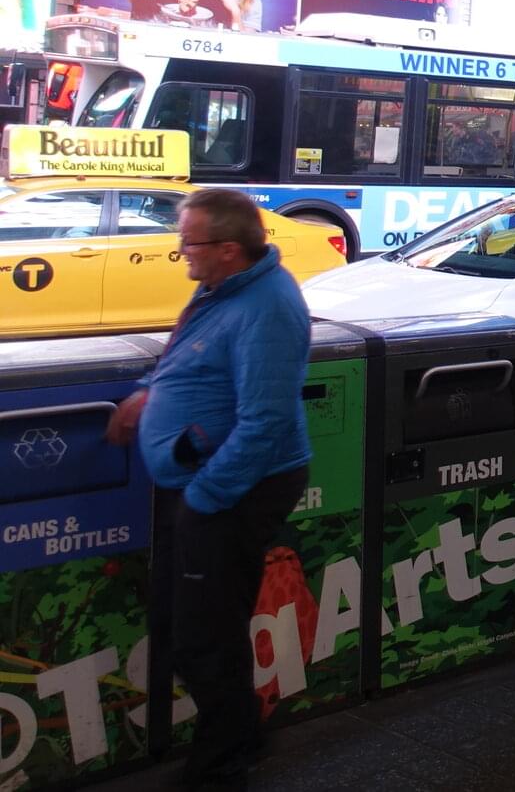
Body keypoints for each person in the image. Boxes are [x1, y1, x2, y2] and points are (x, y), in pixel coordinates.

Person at [106, 189, 310, 786]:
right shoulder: (225, 287)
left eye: (189, 243)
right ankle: (239, 732)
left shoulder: (267, 308)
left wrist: (204, 498)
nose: (181, 253)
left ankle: (226, 757)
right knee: (184, 622)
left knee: (203, 633)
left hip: (230, 490)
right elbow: (188, 356)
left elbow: (266, 424)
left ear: (227, 249)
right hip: (200, 483)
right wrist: (149, 390)